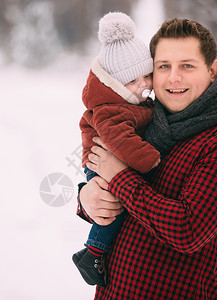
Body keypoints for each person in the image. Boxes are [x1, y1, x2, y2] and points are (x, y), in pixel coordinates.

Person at [76, 18, 217, 299]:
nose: (173, 78)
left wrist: (119, 178)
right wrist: (88, 198)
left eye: (187, 65)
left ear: (212, 70)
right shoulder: (149, 120)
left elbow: (186, 230)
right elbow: (113, 186)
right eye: (163, 66)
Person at [72, 12, 161, 287]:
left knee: (114, 201)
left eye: (146, 75)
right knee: (112, 207)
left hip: (112, 159)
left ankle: (95, 251)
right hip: (100, 161)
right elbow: (123, 143)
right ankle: (94, 252)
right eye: (134, 81)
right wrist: (152, 161)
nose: (144, 84)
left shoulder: (129, 101)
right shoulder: (111, 110)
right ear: (117, 85)